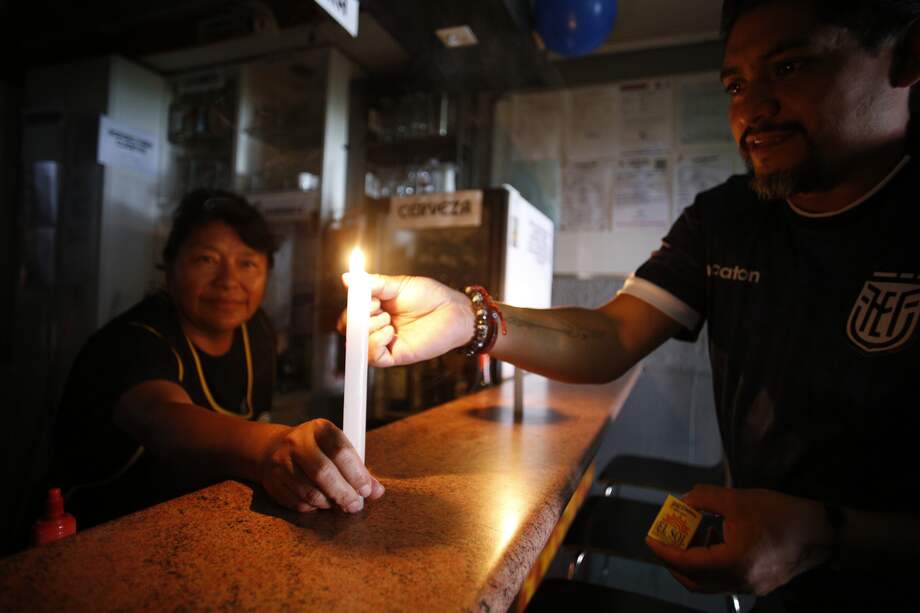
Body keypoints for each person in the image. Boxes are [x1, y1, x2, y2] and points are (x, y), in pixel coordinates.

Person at [348, 0, 920, 609]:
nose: (751, 108)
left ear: (908, 54)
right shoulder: (728, 218)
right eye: (734, 83)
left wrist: (825, 533)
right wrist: (470, 318)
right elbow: (612, 336)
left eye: (790, 68)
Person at [50, 189, 384, 529]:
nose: (228, 281)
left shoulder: (256, 332)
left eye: (247, 263)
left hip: (202, 525)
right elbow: (162, 421)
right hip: (105, 534)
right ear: (170, 265)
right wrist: (269, 446)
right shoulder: (132, 341)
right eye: (206, 259)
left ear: (267, 273)